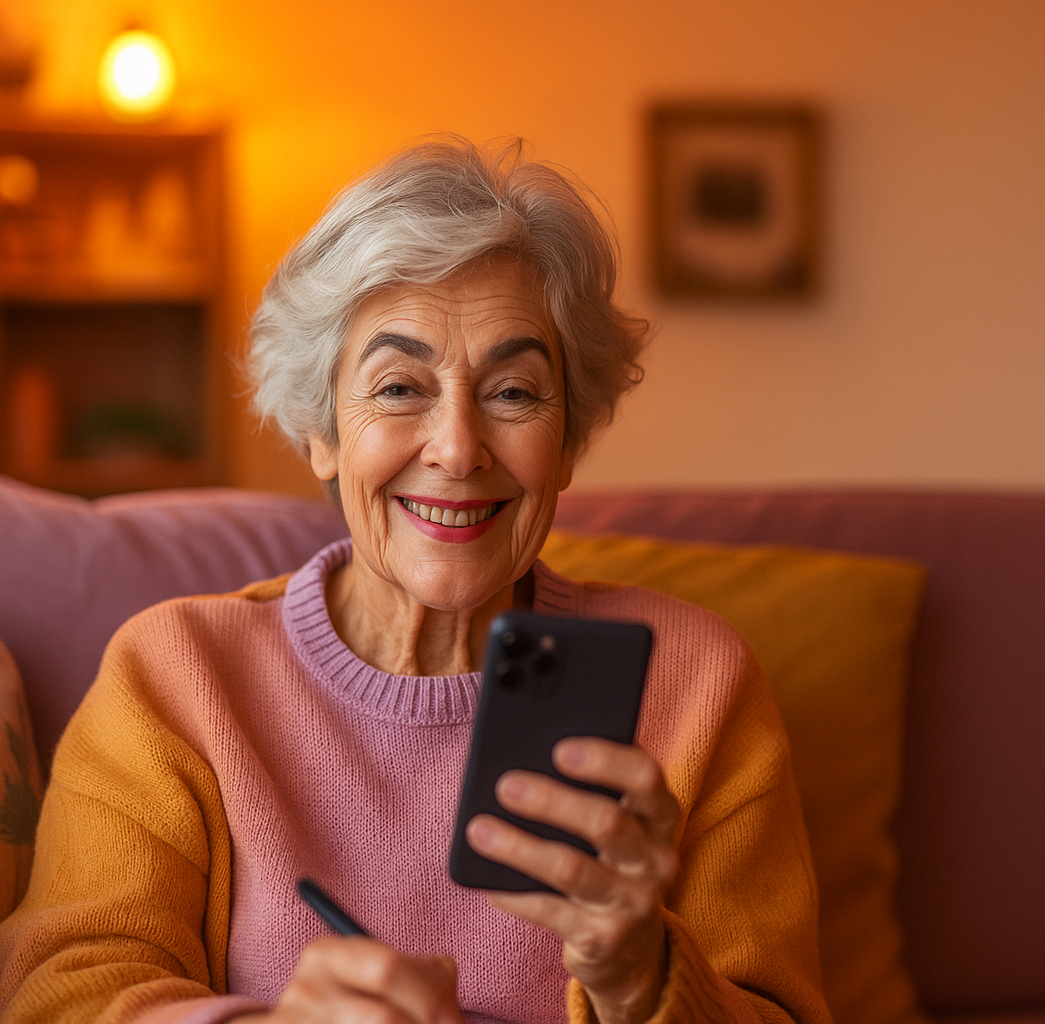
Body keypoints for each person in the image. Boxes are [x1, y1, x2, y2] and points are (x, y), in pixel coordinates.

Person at [0, 138, 830, 1024]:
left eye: (514, 393)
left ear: (568, 442)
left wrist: (643, 974)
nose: (459, 448)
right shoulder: (174, 675)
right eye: (399, 388)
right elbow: (60, 994)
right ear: (322, 432)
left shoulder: (697, 684)